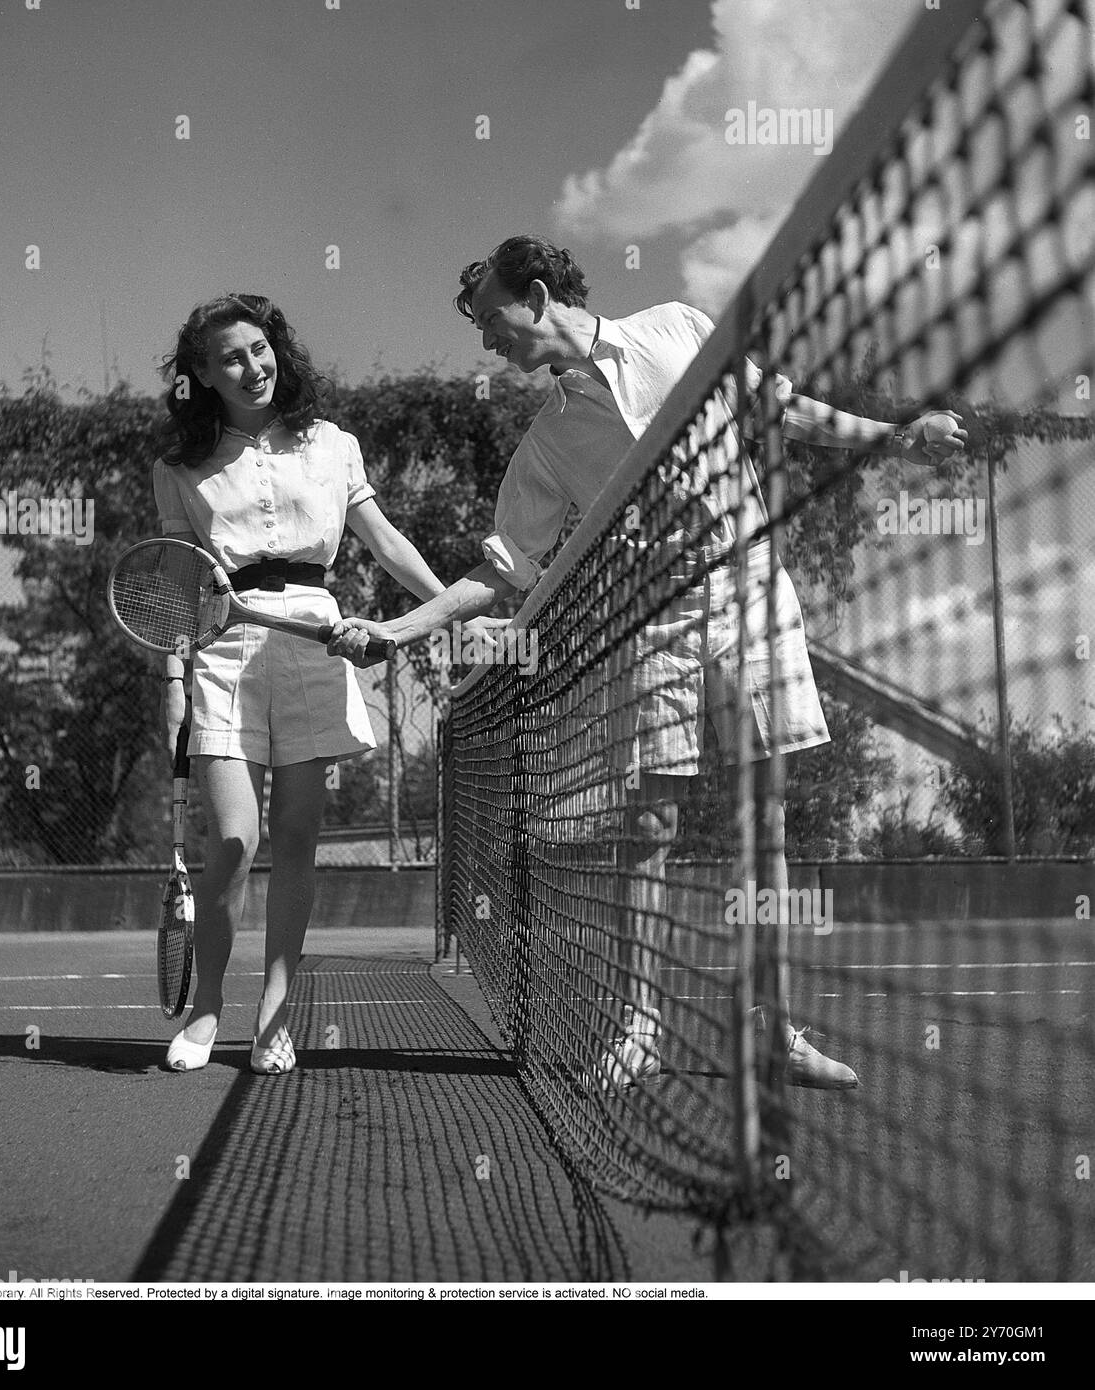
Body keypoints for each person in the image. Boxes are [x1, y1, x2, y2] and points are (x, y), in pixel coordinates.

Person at [327, 236, 967, 1090]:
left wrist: (895, 437)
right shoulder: (547, 441)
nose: (487, 343)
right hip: (652, 619)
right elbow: (501, 569)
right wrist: (405, 630)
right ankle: (639, 1028)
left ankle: (769, 1026)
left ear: (540, 294)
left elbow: (780, 409)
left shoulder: (676, 330)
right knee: (650, 828)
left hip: (751, 597)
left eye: (491, 320)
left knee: (763, 818)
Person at [154, 293, 446, 1074]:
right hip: (222, 652)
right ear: (202, 376)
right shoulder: (178, 469)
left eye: (258, 348)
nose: (250, 367)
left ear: (276, 349)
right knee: (236, 840)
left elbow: (384, 542)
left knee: (296, 842)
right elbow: (181, 585)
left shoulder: (333, 444)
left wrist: (449, 608)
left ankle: (275, 1017)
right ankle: (207, 1009)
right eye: (227, 359)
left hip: (318, 643)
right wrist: (173, 679)